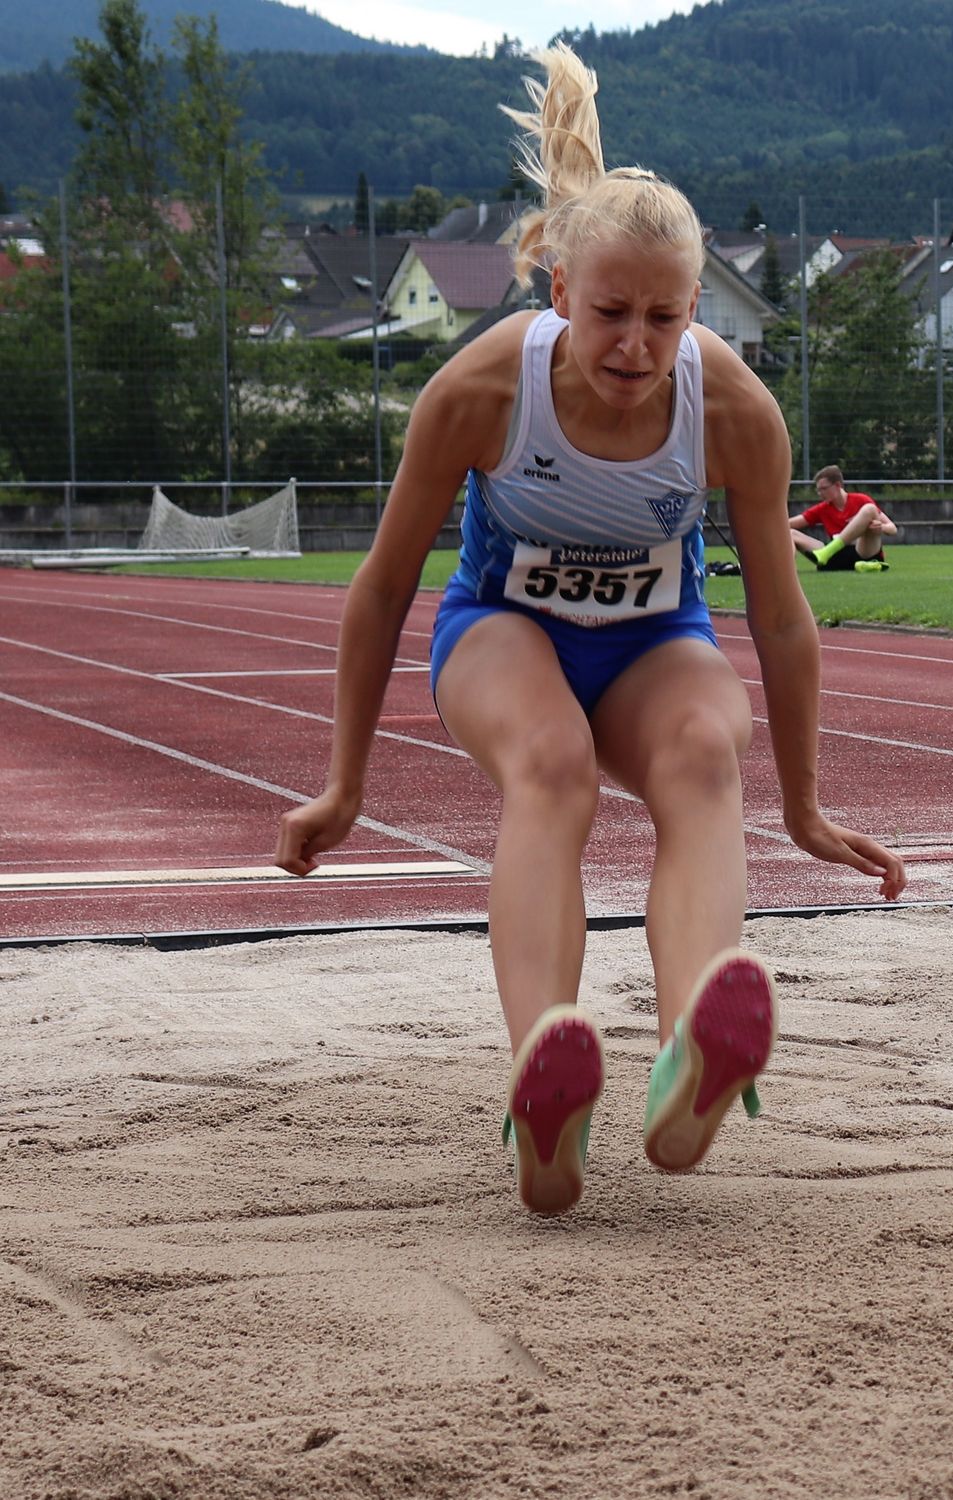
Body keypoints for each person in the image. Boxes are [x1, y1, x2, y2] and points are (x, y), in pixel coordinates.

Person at [274, 44, 907, 1216]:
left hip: (654, 640)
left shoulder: (731, 411)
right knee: (553, 766)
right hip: (502, 631)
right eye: (610, 313)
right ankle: (543, 1093)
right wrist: (343, 784)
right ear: (557, 294)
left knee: (705, 752)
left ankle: (691, 1060)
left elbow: (777, 611)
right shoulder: (477, 391)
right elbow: (379, 589)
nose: (635, 345)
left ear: (695, 311)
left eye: (666, 319)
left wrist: (805, 807)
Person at [789, 465, 897, 571]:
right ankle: (788, 570)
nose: (820, 493)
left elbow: (892, 529)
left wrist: (880, 527)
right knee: (790, 533)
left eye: (823, 489)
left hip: (862, 552)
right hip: (836, 556)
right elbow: (791, 523)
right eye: (818, 490)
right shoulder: (822, 509)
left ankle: (832, 553)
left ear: (837, 485)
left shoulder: (860, 500)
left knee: (869, 509)